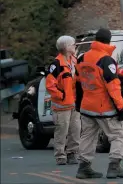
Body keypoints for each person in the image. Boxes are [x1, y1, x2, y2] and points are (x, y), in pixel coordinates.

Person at [75, 28, 123, 179]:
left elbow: (77, 83)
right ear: (109, 41)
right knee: (118, 134)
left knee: (87, 136)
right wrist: (120, 108)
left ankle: (83, 167)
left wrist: (78, 102)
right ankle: (114, 167)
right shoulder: (106, 60)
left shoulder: (82, 58)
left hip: (87, 106)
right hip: (104, 108)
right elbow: (113, 87)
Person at [45, 35, 81, 165]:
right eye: (73, 44)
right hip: (61, 106)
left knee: (75, 130)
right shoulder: (56, 65)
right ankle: (60, 156)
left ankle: (72, 153)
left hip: (74, 104)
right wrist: (62, 96)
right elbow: (50, 85)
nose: (75, 46)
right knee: (62, 131)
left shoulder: (75, 61)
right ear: (66, 47)